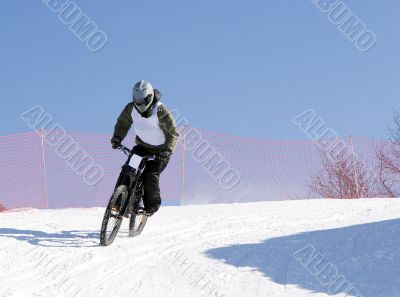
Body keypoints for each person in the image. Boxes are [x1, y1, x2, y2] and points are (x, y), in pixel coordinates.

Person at [111, 80, 179, 216]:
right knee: (128, 170)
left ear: (150, 97)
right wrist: (117, 137)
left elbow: (172, 133)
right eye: (137, 100)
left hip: (160, 152)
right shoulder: (131, 108)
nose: (140, 104)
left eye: (143, 100)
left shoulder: (160, 110)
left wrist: (167, 150)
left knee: (149, 175)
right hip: (142, 148)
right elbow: (122, 123)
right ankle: (118, 203)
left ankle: (150, 207)